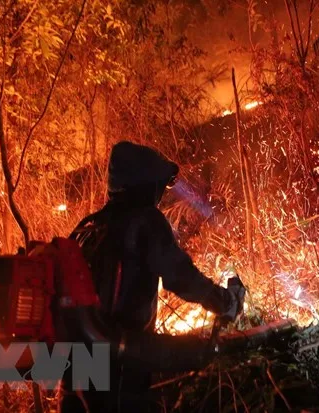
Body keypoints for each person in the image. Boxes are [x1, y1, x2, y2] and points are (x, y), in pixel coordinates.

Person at [58, 141, 244, 413]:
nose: (162, 193)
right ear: (145, 184)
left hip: (76, 370)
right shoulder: (144, 221)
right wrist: (223, 301)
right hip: (119, 371)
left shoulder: (89, 226)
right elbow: (180, 276)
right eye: (161, 185)